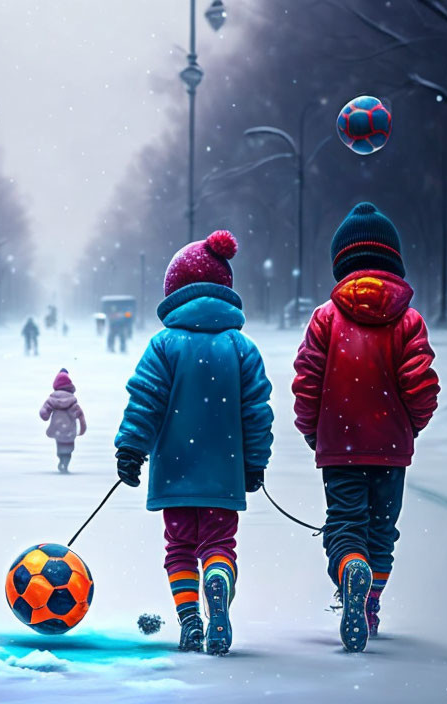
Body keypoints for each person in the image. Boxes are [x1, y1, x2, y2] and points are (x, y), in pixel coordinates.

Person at [114, 230, 273, 656]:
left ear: (174, 293)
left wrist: (131, 448)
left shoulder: (164, 345)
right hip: (224, 473)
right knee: (220, 544)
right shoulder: (242, 347)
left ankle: (190, 620)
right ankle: (218, 579)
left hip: (175, 471)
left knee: (180, 547)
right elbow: (257, 410)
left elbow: (144, 399)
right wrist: (254, 462)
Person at [291, 202, 440, 653]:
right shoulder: (408, 321)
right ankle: (370, 600)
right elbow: (422, 384)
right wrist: (408, 426)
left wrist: (312, 430)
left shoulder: (325, 318)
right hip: (391, 448)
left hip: (339, 445)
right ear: (393, 260)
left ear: (341, 264)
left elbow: (307, 379)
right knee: (382, 530)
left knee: (345, 525)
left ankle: (349, 568)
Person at [39, 368, 87, 473]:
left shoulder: (52, 400)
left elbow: (45, 411)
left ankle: (61, 460)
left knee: (60, 446)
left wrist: (44, 415)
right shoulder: (73, 402)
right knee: (68, 448)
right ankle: (65, 463)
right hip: (70, 430)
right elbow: (80, 415)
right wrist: (83, 428)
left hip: (57, 428)